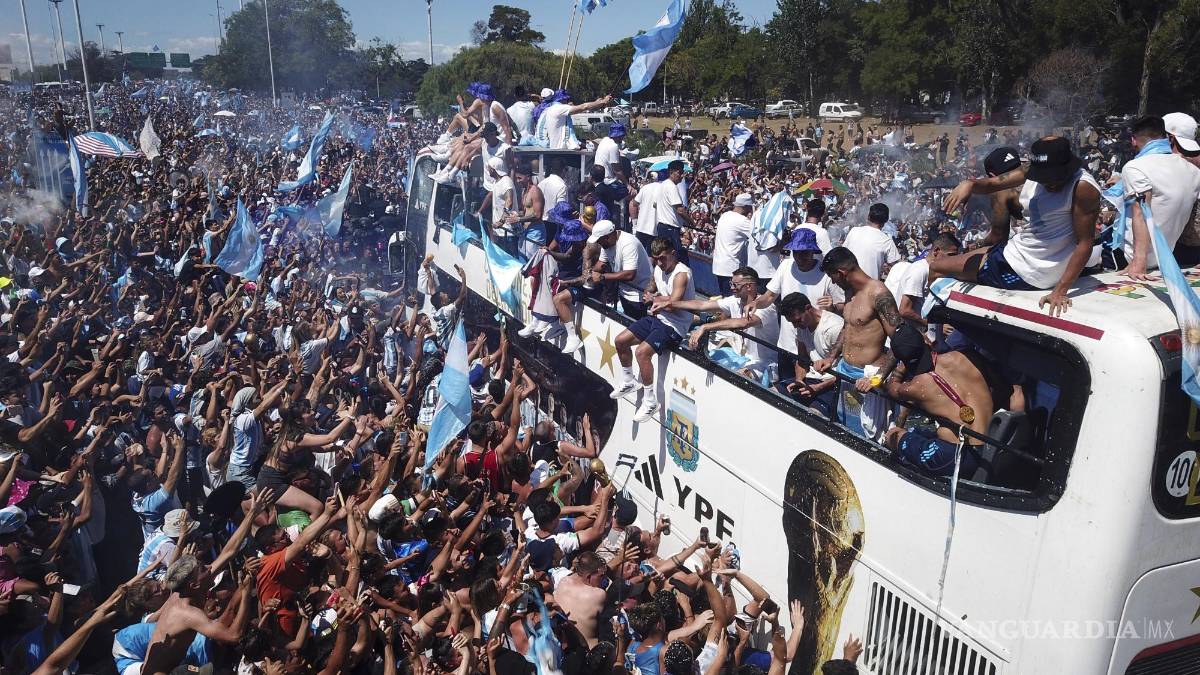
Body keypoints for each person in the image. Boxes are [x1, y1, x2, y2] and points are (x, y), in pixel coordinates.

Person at [936, 136, 1102, 316]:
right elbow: (993, 183)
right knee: (969, 257)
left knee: (936, 267)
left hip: (1029, 269)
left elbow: (1085, 242)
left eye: (1053, 178)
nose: (1048, 183)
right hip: (1020, 251)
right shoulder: (1033, 169)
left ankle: (933, 336)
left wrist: (1060, 290)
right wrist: (969, 183)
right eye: (1043, 178)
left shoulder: (1083, 187)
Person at [882, 323, 1023, 477]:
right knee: (916, 431)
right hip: (989, 448)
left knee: (894, 435)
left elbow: (892, 388)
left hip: (956, 457)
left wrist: (900, 368)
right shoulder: (967, 356)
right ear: (926, 341)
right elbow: (1005, 389)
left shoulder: (915, 386)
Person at [814, 247, 902, 441]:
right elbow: (848, 327)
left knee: (871, 436)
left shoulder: (878, 293)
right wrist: (831, 357)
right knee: (845, 428)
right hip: (846, 373)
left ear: (842, 273)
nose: (833, 282)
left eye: (833, 277)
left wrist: (877, 378)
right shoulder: (850, 293)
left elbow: (900, 340)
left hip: (869, 378)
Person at [609, 238, 696, 422]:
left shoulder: (681, 274)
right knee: (620, 340)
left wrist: (656, 300)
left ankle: (650, 401)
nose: (659, 263)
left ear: (673, 253)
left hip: (675, 327)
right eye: (656, 259)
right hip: (658, 318)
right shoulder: (658, 268)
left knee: (641, 353)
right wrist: (648, 293)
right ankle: (629, 380)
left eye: (663, 258)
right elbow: (652, 285)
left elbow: (674, 305)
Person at [653, 266, 779, 382]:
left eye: (736, 285)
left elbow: (743, 323)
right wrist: (670, 303)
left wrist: (705, 327)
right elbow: (702, 305)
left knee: (739, 378)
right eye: (731, 283)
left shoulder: (765, 307)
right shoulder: (735, 300)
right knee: (699, 360)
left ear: (749, 286)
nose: (732, 288)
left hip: (762, 363)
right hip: (739, 355)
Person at [1116, 115, 1200, 278]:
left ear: (1134, 140)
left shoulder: (1135, 167)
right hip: (1166, 256)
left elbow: (1141, 213)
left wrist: (1139, 263)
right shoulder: (1193, 171)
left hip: (1130, 257)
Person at [752, 228, 843, 370]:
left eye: (805, 253)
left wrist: (833, 307)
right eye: (796, 253)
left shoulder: (825, 273)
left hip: (813, 351)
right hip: (786, 345)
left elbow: (841, 307)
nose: (800, 257)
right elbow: (769, 296)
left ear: (813, 252)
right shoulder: (786, 266)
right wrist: (755, 304)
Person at [778, 292, 842, 415]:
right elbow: (802, 359)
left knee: (812, 416)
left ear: (808, 308)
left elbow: (849, 370)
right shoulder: (801, 327)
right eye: (792, 322)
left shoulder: (834, 327)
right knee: (771, 394)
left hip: (833, 385)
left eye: (797, 320)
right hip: (810, 380)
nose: (795, 325)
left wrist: (819, 387)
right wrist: (799, 380)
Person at [841, 202, 900, 280]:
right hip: (870, 288)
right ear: (885, 221)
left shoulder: (854, 231)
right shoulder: (887, 241)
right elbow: (896, 268)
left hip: (848, 283)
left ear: (868, 217)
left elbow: (843, 252)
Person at [711, 193, 755, 295]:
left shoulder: (724, 215)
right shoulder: (742, 221)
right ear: (746, 207)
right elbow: (757, 235)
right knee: (733, 302)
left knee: (725, 300)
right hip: (731, 269)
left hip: (719, 266)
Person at [653, 160, 693, 263]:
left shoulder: (662, 185)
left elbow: (655, 204)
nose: (681, 175)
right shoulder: (671, 186)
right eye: (679, 172)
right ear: (671, 172)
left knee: (666, 259)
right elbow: (680, 210)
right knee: (677, 260)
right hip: (670, 229)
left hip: (663, 228)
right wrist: (691, 222)